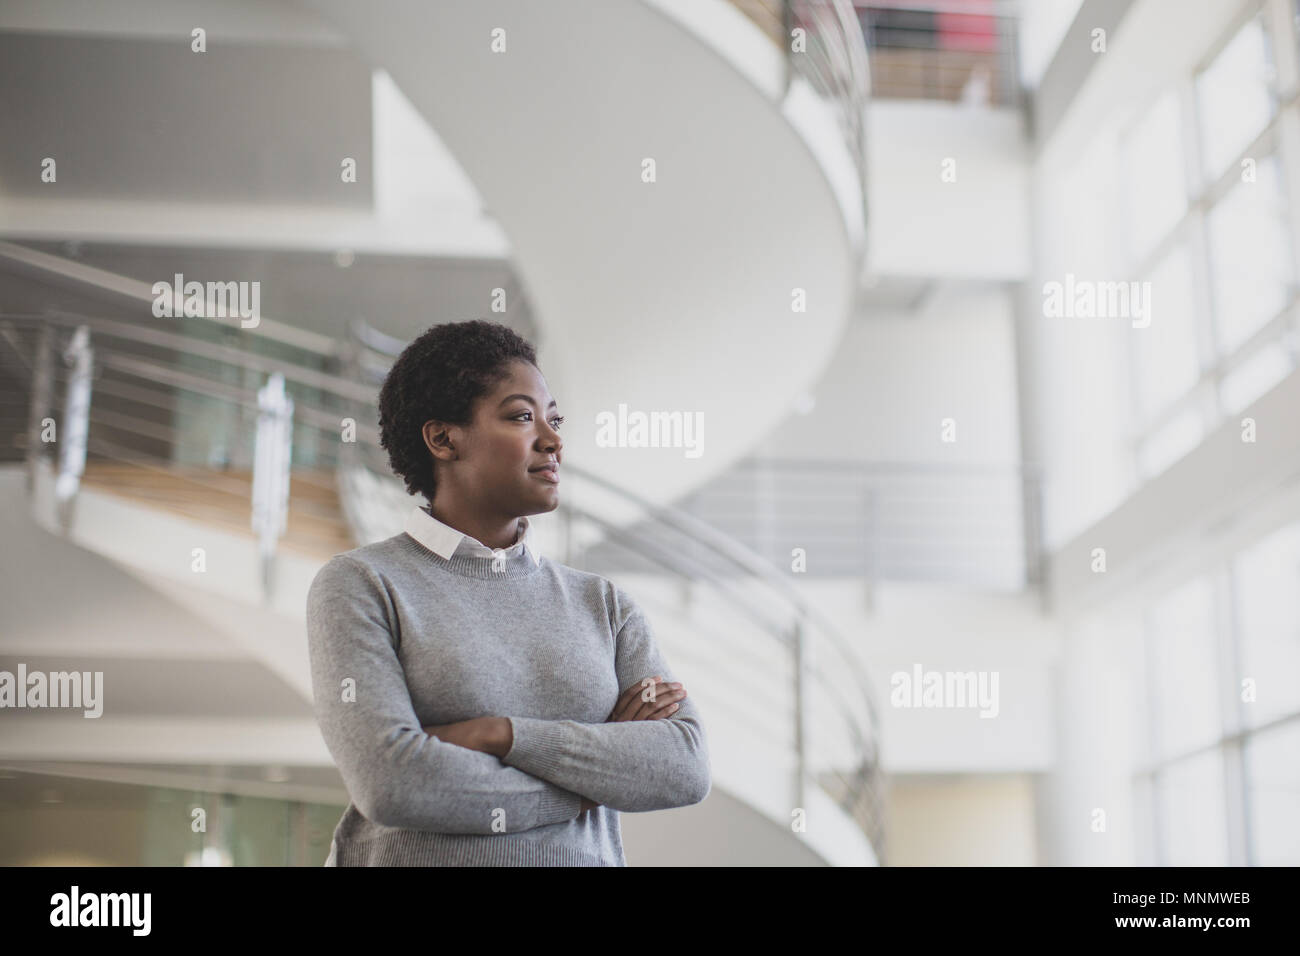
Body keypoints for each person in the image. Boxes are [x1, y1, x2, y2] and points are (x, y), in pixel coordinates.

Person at [306, 319, 710, 866]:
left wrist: (499, 735)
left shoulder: (605, 605)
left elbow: (682, 767)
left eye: (555, 418)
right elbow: (394, 782)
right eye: (522, 416)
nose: (553, 439)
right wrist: (591, 784)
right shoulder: (363, 584)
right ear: (443, 438)